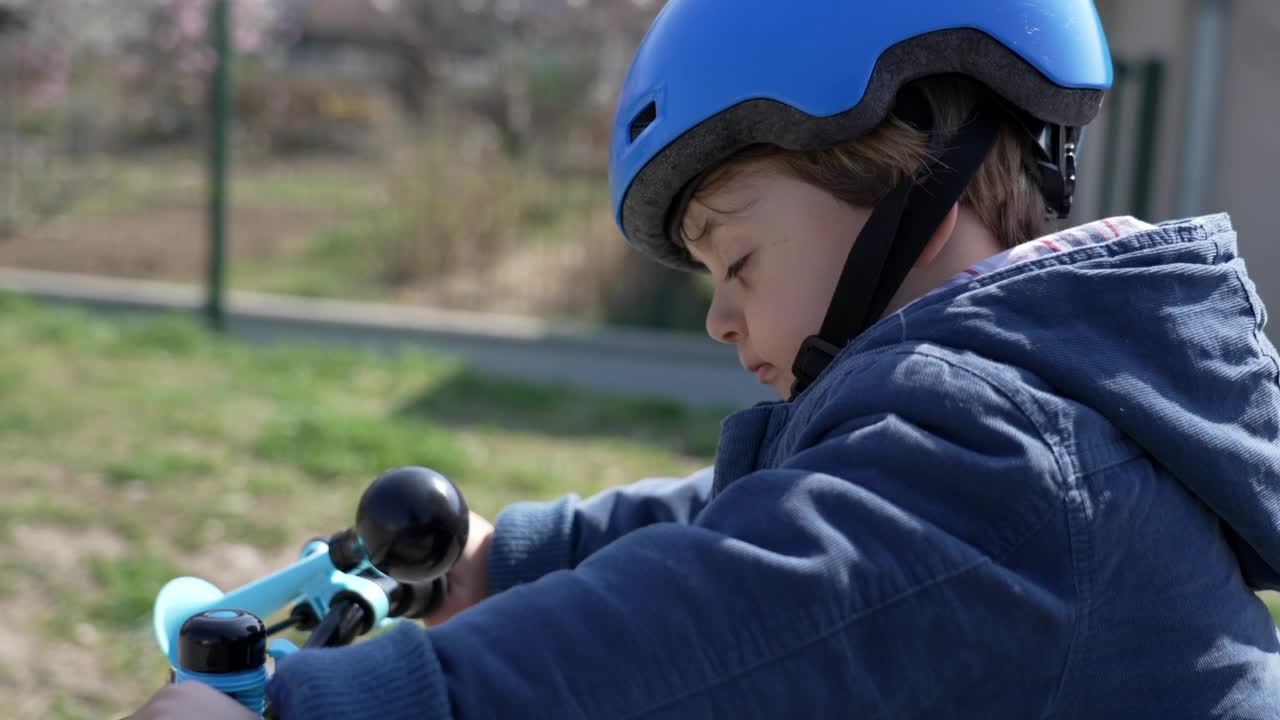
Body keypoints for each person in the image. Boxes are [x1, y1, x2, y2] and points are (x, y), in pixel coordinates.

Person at [130, 0, 1280, 718]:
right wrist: (513, 559)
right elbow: (754, 521)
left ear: (904, 176)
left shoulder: (1013, 469)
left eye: (734, 260)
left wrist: (339, 710)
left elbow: (709, 629)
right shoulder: (1031, 418)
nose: (720, 321)